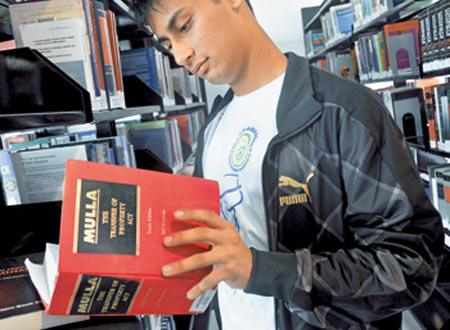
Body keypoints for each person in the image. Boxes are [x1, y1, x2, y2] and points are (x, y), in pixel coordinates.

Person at [137, 0, 444, 329]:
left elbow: (412, 267)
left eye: (183, 26)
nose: (180, 55)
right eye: (167, 44)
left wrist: (262, 270)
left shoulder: (344, 112)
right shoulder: (212, 129)